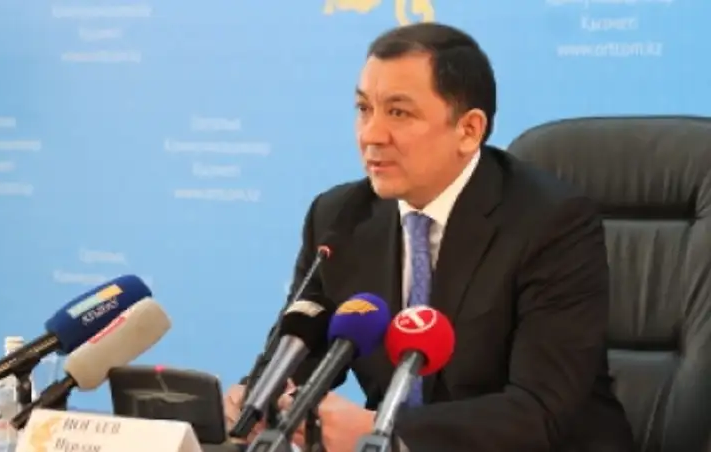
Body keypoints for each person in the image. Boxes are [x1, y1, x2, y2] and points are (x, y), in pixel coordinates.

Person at [224, 22, 635, 452]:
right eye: (364, 109)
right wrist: (260, 397)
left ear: (468, 130)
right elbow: (300, 353)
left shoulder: (551, 222)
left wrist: (386, 431)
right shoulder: (340, 219)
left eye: (398, 113)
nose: (370, 135)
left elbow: (539, 411)